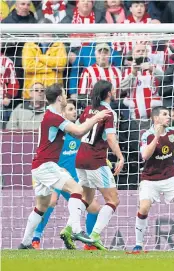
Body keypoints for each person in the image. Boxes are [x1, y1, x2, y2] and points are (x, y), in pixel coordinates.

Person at [19, 83, 110, 249]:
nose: (67, 97)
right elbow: (78, 130)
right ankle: (76, 229)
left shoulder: (51, 116)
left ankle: (25, 242)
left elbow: (78, 133)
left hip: (40, 166)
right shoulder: (54, 117)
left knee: (41, 206)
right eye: (65, 95)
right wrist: (96, 118)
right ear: (60, 98)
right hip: (46, 165)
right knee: (77, 190)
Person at [31, 99, 101, 251]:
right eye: (70, 109)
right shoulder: (58, 132)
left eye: (75, 109)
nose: (74, 111)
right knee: (50, 201)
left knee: (94, 207)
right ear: (62, 113)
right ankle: (35, 238)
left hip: (73, 179)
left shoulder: (79, 132)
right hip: (56, 175)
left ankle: (88, 242)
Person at [131, 106, 174, 253]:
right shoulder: (146, 135)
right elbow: (145, 156)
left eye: (168, 114)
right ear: (156, 118)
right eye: (165, 114)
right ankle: (138, 244)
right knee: (144, 207)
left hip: (169, 177)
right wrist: (157, 137)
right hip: (149, 179)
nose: (169, 116)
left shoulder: (173, 133)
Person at [75, 80, 125, 250]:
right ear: (109, 93)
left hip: (80, 158)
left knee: (87, 198)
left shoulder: (88, 110)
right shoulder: (109, 112)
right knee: (113, 200)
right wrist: (120, 157)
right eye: (113, 89)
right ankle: (94, 235)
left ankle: (70, 228)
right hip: (95, 160)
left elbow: (78, 129)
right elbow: (111, 138)